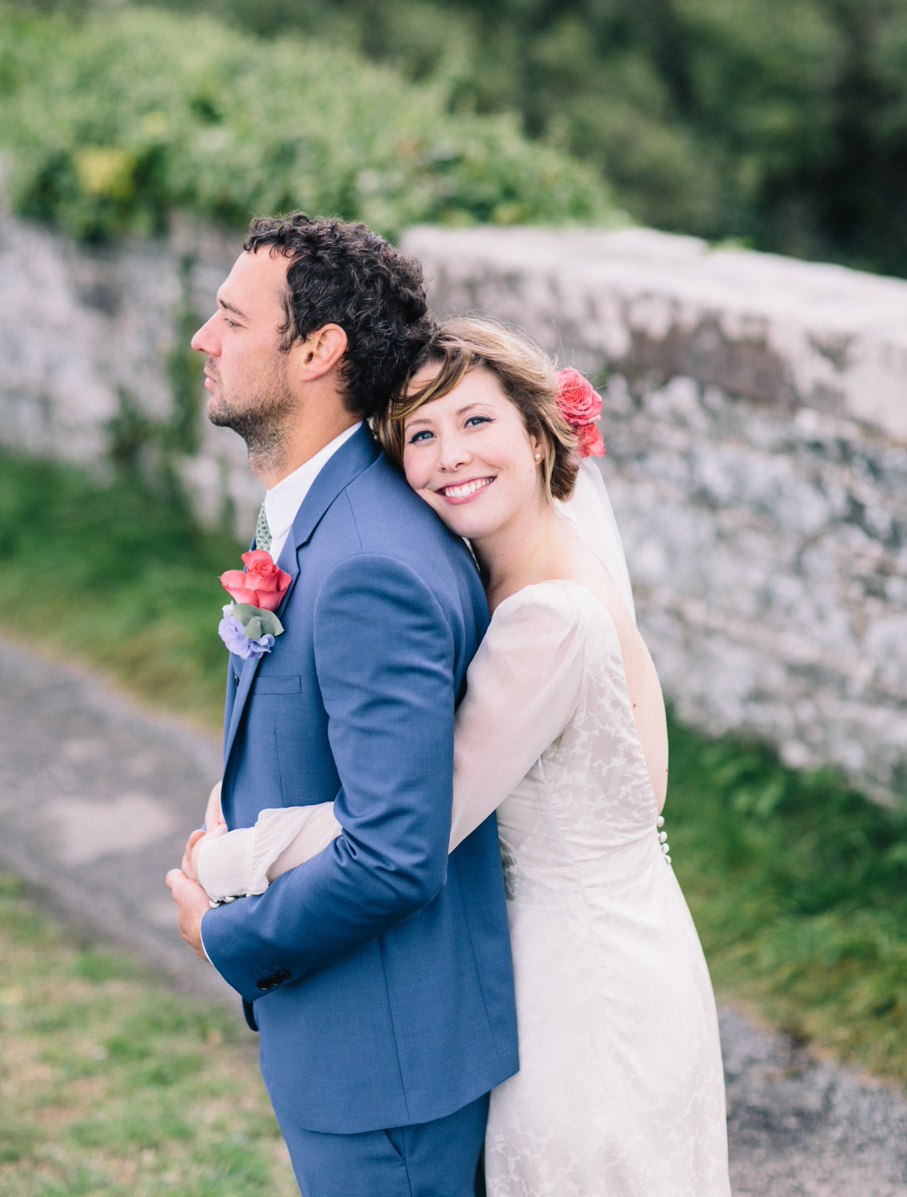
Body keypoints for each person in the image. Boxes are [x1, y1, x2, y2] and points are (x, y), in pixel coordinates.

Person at [186, 317, 732, 1196]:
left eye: (476, 422)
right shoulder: (495, 577)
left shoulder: (549, 617)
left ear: (536, 430)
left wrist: (230, 858)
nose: (448, 456)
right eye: (420, 433)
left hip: (581, 989)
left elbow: (414, 818)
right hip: (585, 951)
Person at [165, 216, 519, 1197]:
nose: (204, 337)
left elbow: (392, 852)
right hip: (354, 1040)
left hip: (388, 1065)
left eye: (233, 319)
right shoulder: (324, 516)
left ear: (318, 350)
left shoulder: (367, 561)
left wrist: (222, 932)